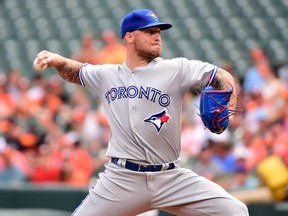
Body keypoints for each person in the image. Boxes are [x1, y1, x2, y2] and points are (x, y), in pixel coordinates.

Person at [34, 9, 248, 216]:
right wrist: (57, 60)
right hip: (121, 179)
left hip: (171, 177)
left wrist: (228, 112)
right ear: (129, 37)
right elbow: (76, 72)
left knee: (235, 211)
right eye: (149, 31)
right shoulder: (107, 74)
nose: (157, 37)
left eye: (158, 32)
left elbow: (221, 76)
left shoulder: (176, 68)